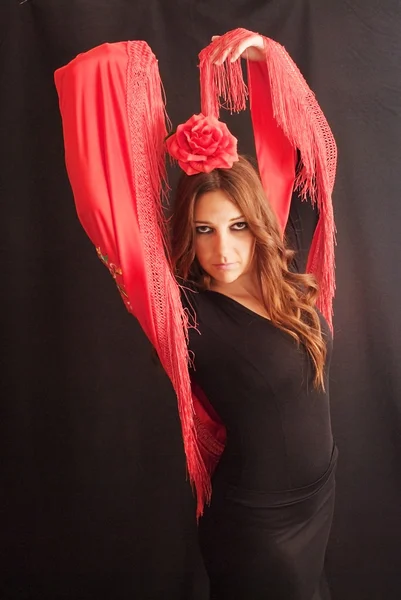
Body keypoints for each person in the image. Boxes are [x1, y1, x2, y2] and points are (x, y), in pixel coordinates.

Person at [55, 28, 337, 600]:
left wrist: (268, 59)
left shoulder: (282, 278)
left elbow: (315, 163)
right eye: (204, 230)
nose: (223, 250)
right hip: (259, 526)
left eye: (237, 227)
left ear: (258, 225)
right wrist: (118, 72)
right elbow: (113, 216)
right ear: (188, 232)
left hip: (320, 495)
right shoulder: (182, 312)